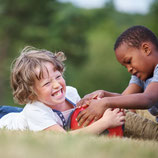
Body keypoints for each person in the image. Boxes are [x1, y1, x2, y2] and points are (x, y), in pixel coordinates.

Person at [0, 46, 125, 135]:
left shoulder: (71, 92)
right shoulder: (34, 111)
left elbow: (79, 120)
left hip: (20, 113)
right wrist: (105, 122)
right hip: (5, 119)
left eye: (58, 77)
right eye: (47, 83)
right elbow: (63, 138)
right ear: (31, 93)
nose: (56, 85)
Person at [76, 25, 158, 140]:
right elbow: (124, 99)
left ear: (146, 49)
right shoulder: (141, 73)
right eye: (125, 66)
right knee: (117, 109)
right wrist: (102, 94)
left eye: (129, 61)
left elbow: (148, 99)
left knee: (117, 115)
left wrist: (106, 102)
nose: (129, 69)